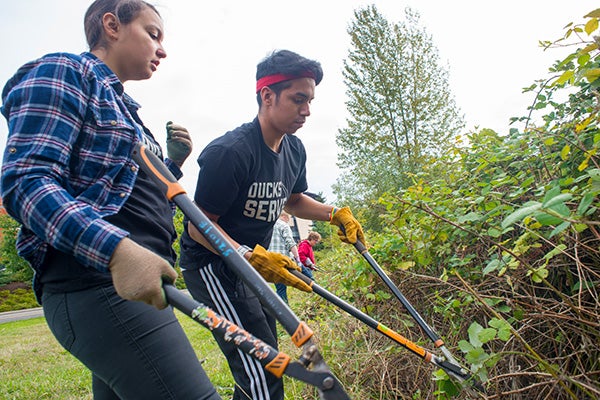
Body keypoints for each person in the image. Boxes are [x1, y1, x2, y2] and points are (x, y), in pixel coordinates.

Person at [0, 1, 220, 399]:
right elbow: (25, 182)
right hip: (95, 283)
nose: (163, 49)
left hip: (135, 286)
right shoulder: (64, 72)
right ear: (112, 25)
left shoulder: (126, 110)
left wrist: (171, 164)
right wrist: (116, 251)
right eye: (153, 34)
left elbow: (129, 199)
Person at [179, 49, 366, 400]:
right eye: (298, 99)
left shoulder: (294, 150)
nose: (307, 111)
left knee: (266, 355)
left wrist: (334, 213)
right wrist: (246, 256)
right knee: (263, 366)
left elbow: (293, 200)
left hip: (253, 264)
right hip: (212, 266)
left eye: (310, 101)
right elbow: (197, 226)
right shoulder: (230, 152)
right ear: (267, 95)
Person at [268, 212, 303, 303]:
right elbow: (290, 243)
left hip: (269, 259)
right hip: (282, 260)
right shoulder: (284, 225)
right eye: (288, 219)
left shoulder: (269, 225)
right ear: (284, 216)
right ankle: (285, 310)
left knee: (280, 288)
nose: (288, 221)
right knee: (283, 288)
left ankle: (281, 310)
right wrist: (297, 259)